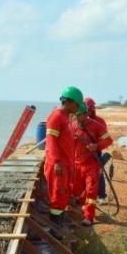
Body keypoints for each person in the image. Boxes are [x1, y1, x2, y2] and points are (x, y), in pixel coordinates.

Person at [44, 86, 86, 224]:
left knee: (63, 194)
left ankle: (59, 223)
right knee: (57, 196)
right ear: (69, 102)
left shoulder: (66, 117)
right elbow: (51, 141)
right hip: (58, 166)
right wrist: (56, 162)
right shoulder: (56, 116)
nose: (78, 108)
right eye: (77, 104)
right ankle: (55, 229)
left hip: (65, 164)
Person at [72, 102, 114, 226]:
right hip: (77, 164)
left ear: (85, 114)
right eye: (75, 115)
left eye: (78, 115)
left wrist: (97, 146)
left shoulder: (97, 126)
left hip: (92, 164)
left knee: (91, 191)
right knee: (77, 190)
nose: (76, 117)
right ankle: (83, 207)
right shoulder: (73, 126)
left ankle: (88, 217)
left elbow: (109, 140)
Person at [83, 97, 114, 203]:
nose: (90, 110)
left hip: (96, 154)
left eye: (92, 108)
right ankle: (84, 197)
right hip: (81, 155)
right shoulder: (78, 121)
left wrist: (97, 146)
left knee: (99, 174)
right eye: (88, 108)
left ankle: (101, 196)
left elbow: (106, 140)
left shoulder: (100, 122)